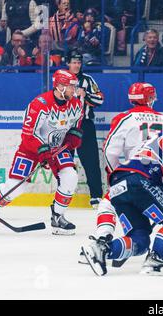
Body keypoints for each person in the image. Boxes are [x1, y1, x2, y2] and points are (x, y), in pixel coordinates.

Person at [78, 83, 163, 265]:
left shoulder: (125, 117)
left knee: (126, 223)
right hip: (148, 177)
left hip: (129, 174)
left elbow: (110, 151)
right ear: (150, 98)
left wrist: (115, 174)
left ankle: (101, 245)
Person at [0, 69, 83, 235]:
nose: (74, 89)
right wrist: (42, 152)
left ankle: (57, 217)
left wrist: (74, 135)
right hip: (32, 149)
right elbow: (28, 134)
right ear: (59, 86)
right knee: (16, 187)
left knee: (70, 176)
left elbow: (76, 124)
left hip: (57, 148)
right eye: (71, 86)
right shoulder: (40, 104)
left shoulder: (76, 104)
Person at [66, 49, 104, 209]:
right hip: (65, 127)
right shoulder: (60, 80)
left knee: (91, 162)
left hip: (85, 126)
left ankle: (96, 196)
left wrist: (85, 94)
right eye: (74, 62)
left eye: (79, 62)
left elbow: (100, 99)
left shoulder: (88, 80)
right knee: (65, 163)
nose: (76, 65)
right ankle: (63, 195)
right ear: (68, 63)